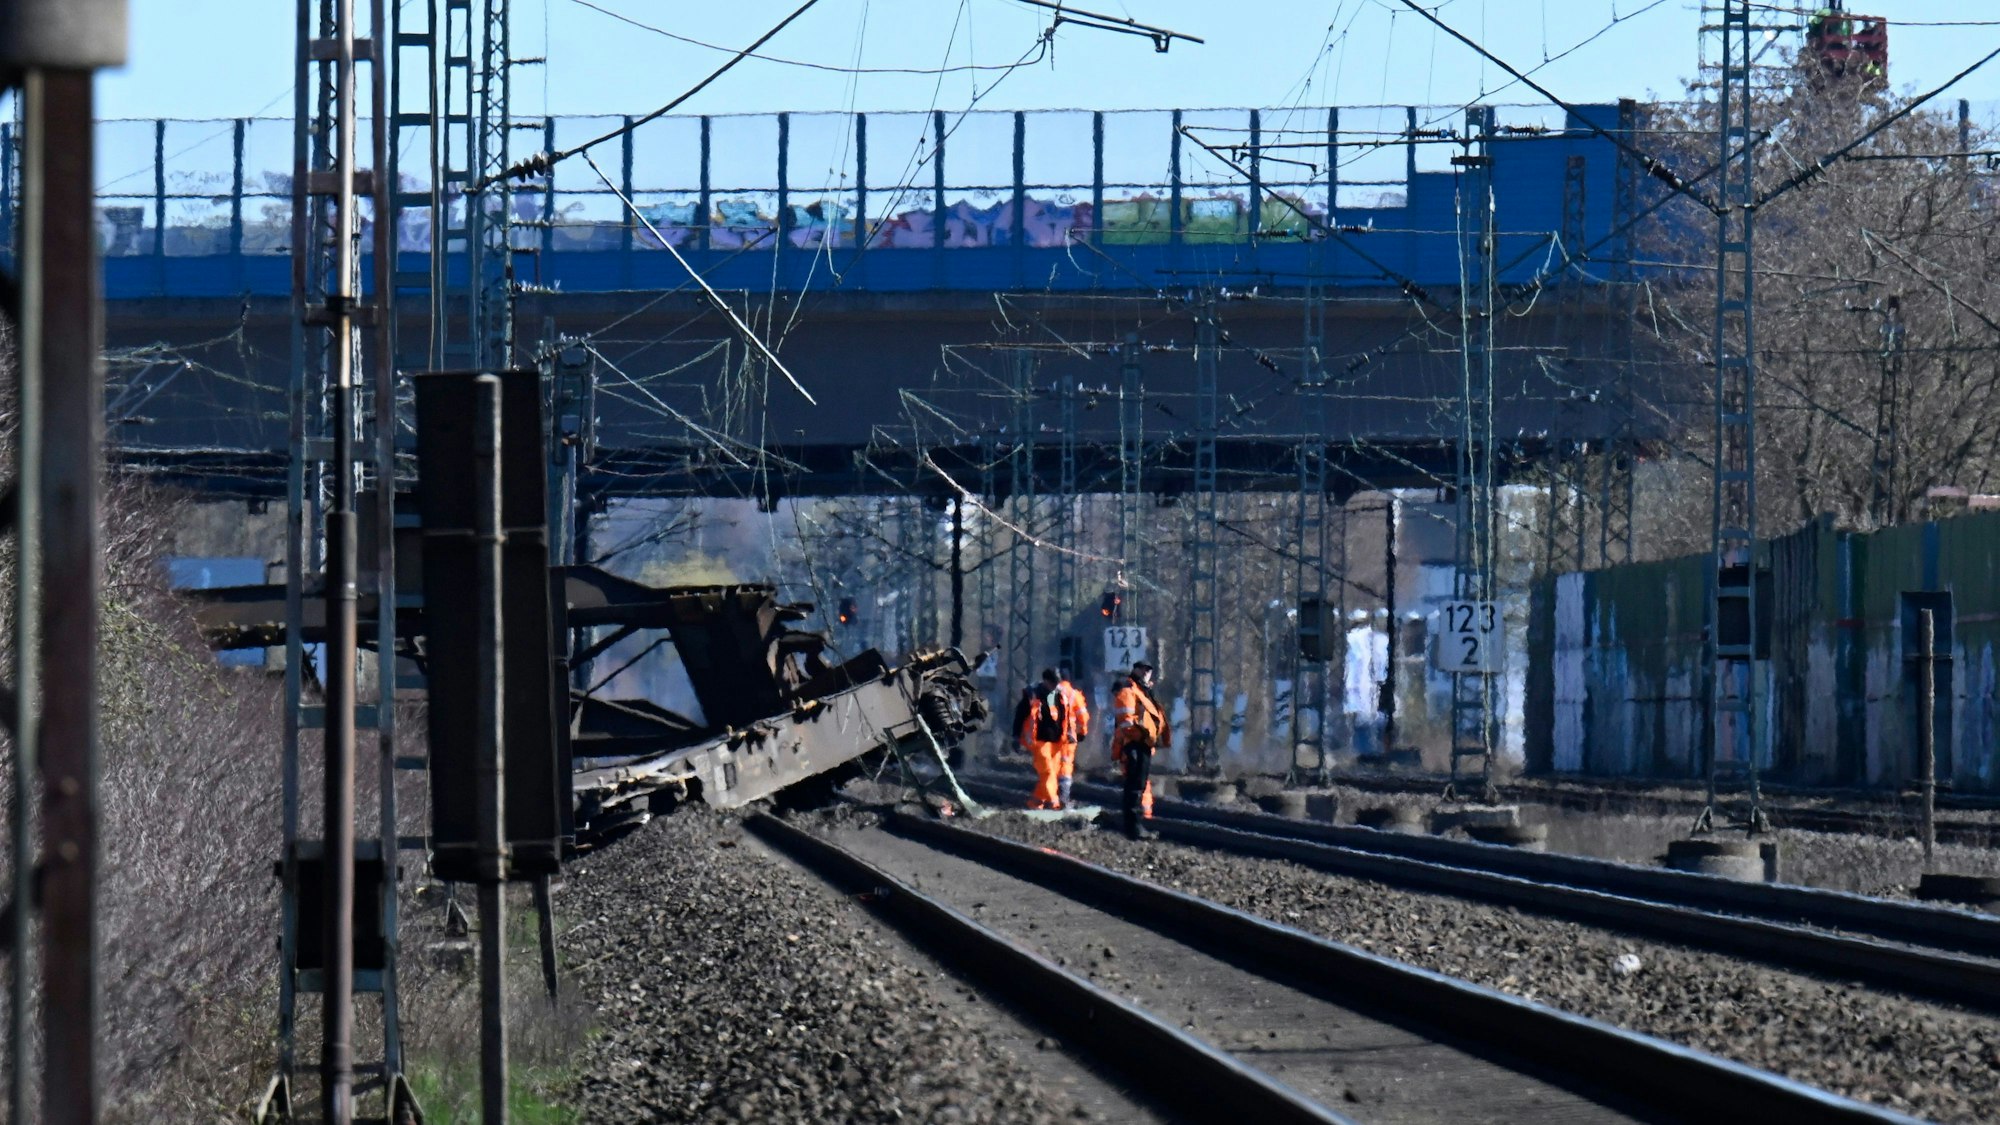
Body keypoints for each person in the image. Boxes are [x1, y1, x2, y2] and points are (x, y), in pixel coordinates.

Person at [1110, 661, 1170, 839]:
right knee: (1134, 786)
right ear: (1135, 670)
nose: (1146, 673)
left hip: (1144, 744)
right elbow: (1126, 719)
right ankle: (1133, 828)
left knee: (1139, 786)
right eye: (1143, 669)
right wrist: (1141, 733)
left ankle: (1135, 827)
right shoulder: (1129, 690)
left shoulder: (1145, 692)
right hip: (1134, 744)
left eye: (1149, 670)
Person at [1013, 681, 1058, 809]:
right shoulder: (1030, 700)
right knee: (1047, 772)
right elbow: (1020, 717)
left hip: (1051, 743)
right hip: (1038, 743)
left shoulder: (1053, 699)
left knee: (1049, 773)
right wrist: (1016, 737)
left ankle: (1036, 801)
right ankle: (1052, 802)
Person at [1054, 667, 1091, 809]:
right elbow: (1083, 716)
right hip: (1068, 737)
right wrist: (1083, 732)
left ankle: (1050, 796)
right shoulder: (1074, 694)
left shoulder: (1049, 692)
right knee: (1066, 765)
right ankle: (1064, 797)